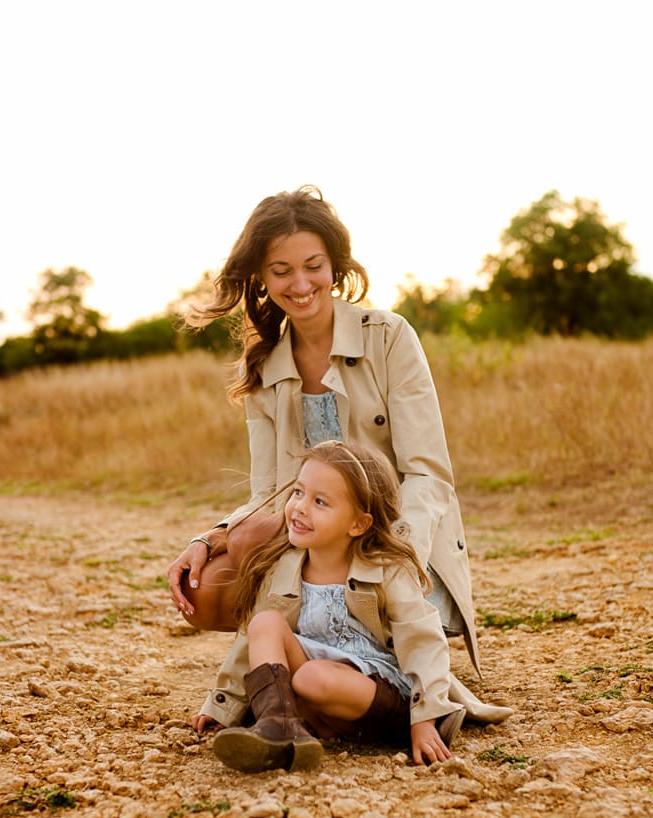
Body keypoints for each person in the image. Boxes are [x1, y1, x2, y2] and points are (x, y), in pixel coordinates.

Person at [167, 185, 512, 735]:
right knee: (223, 570)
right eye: (281, 271)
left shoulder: (389, 336)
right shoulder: (263, 368)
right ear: (260, 276)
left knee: (342, 572)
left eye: (312, 266)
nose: (299, 285)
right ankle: (292, 671)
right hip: (318, 538)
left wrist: (398, 554)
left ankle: (392, 679)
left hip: (393, 539)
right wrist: (209, 539)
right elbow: (271, 495)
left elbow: (429, 473)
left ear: (335, 266)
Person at [211, 440, 467, 772]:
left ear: (358, 524)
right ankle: (280, 725)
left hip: (373, 689)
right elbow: (248, 642)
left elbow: (423, 641)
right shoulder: (284, 566)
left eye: (320, 502)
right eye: (299, 493)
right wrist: (221, 706)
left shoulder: (386, 569)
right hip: (315, 683)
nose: (300, 508)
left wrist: (424, 718)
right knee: (265, 624)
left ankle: (396, 726)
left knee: (311, 678)